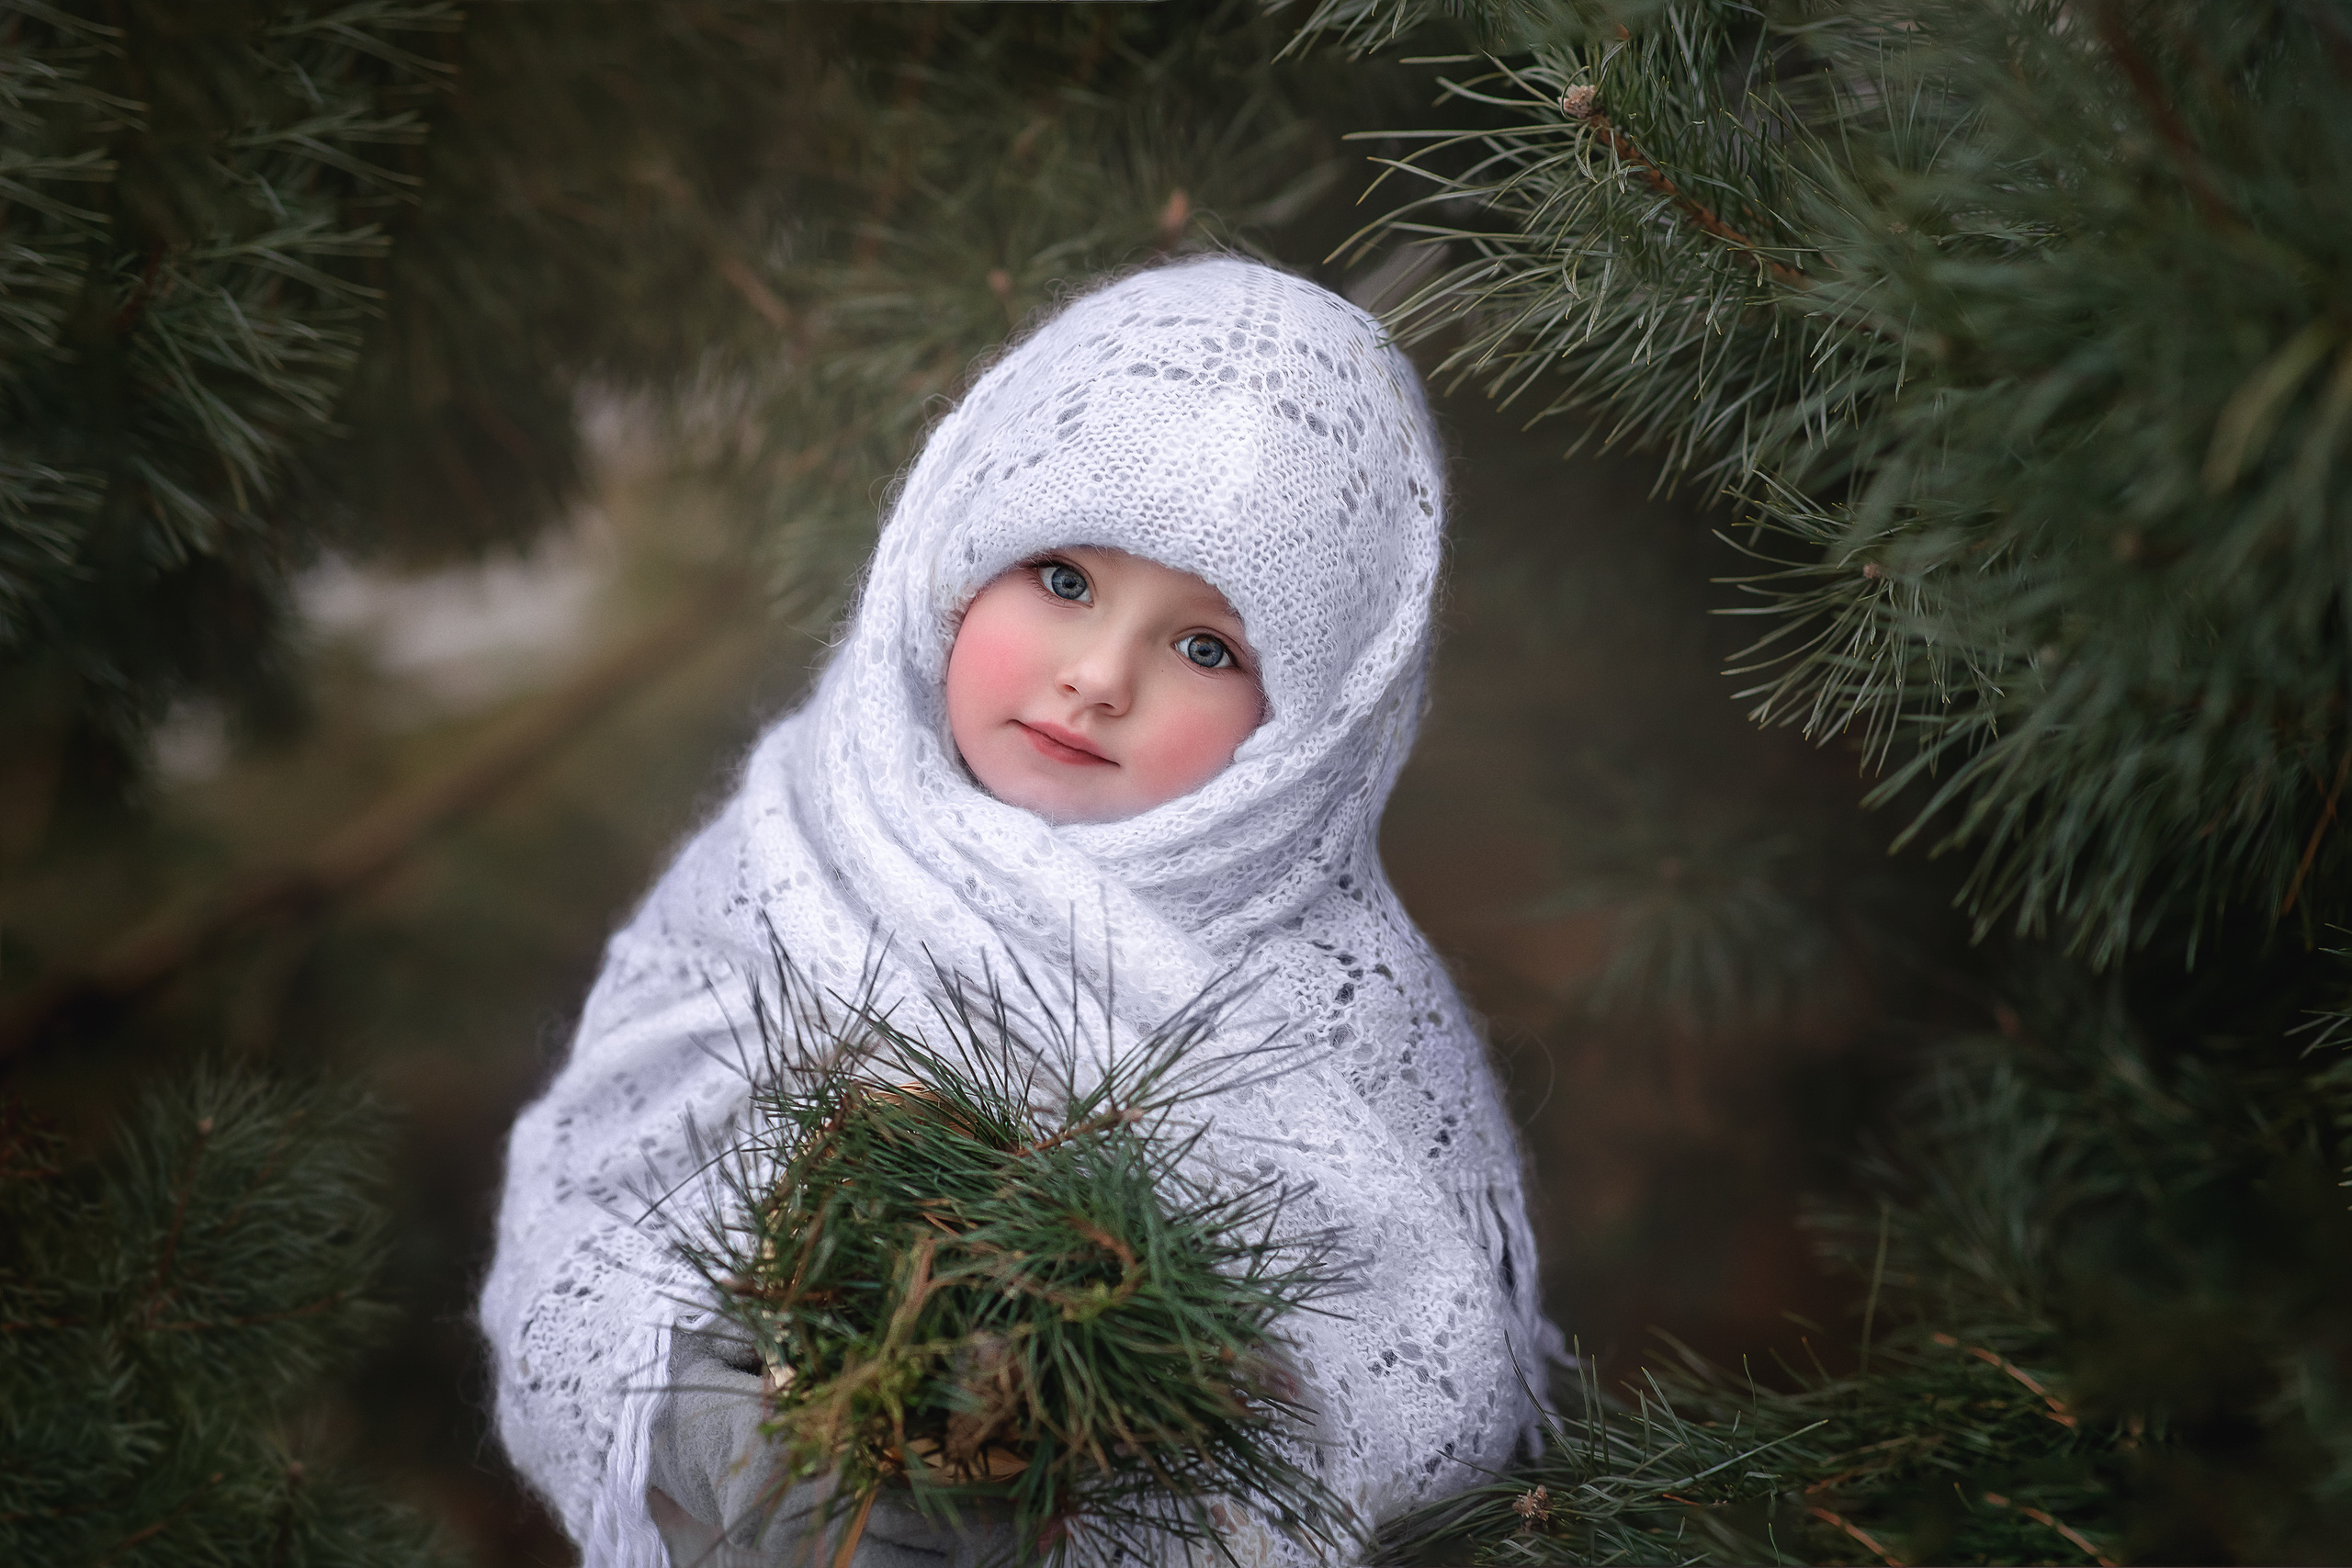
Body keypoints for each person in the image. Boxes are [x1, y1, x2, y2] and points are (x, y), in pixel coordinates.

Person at [480, 256, 1560, 1566]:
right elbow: (592, 1208)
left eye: (1206, 647)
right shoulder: (784, 851)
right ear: (952, 556)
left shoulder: (1340, 1001)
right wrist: (703, 1432)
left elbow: (1412, 1398)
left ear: (1309, 728)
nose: (1099, 677)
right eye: (1061, 578)